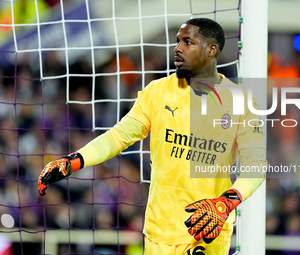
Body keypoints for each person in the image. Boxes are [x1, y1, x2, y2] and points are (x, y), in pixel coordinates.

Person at [38, 18, 266, 254]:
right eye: (177, 41)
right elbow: (119, 136)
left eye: (188, 42)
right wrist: (74, 160)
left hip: (208, 228)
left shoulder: (242, 102)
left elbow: (256, 166)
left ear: (211, 50)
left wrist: (227, 202)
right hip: (161, 231)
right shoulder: (157, 93)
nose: (177, 48)